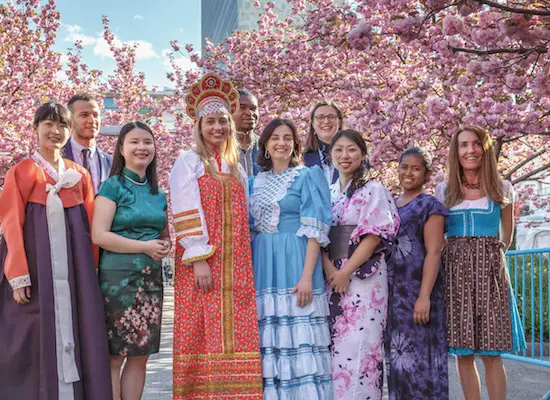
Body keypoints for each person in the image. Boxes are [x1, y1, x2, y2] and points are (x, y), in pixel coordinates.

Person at [0, 102, 112, 400]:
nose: (55, 131)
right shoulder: (22, 172)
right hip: (35, 271)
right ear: (36, 128)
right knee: (28, 339)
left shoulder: (78, 175)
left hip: (74, 273)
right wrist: (18, 275)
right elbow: (11, 226)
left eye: (62, 126)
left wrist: (90, 273)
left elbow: (90, 227)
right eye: (48, 124)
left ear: (70, 131)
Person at [169, 73, 263, 399]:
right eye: (210, 121)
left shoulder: (237, 166)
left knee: (235, 329)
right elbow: (185, 210)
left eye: (223, 121)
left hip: (237, 262)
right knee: (200, 329)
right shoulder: (189, 161)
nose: (217, 128)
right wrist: (198, 258)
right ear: (199, 125)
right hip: (203, 261)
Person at [435, 125, 526, 400]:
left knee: (492, 351)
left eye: (476, 144)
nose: (470, 150)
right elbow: (438, 238)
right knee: (463, 353)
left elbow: (506, 238)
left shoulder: (502, 188)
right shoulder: (444, 190)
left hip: (491, 274)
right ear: (456, 151)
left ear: (485, 149)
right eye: (463, 145)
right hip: (455, 275)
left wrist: (485, 259)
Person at [249, 118, 333, 398]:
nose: (281, 142)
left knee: (299, 336)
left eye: (288, 137)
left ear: (296, 145)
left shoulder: (308, 176)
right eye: (275, 138)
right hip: (263, 264)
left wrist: (307, 277)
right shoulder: (253, 182)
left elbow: (314, 232)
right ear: (266, 146)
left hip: (295, 261)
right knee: (269, 336)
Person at [91, 121, 171, 400]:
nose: (142, 147)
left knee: (140, 356)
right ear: (121, 149)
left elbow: (163, 233)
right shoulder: (112, 186)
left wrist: (163, 245)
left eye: (147, 142)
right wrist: (145, 246)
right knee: (115, 357)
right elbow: (99, 235)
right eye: (134, 142)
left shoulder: (158, 193)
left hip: (150, 280)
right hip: (117, 281)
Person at [322, 129, 399, 400]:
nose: (345, 156)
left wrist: (344, 271)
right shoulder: (327, 192)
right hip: (330, 277)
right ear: (330, 155)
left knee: (361, 346)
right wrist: (332, 270)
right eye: (338, 150)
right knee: (333, 349)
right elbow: (318, 236)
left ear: (363, 154)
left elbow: (373, 235)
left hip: (363, 279)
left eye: (351, 149)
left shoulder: (373, 189)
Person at [384, 147, 448, 400]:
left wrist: (424, 296)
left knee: (423, 362)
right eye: (404, 167)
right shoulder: (389, 203)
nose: (408, 173)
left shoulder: (430, 205)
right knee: (398, 362)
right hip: (393, 295)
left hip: (420, 293)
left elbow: (434, 252)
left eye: (416, 168)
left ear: (427, 174)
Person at [64, 93, 113, 193]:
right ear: (70, 120)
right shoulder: (57, 158)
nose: (92, 120)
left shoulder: (110, 163)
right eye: (84, 115)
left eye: (95, 115)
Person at [302, 101, 343, 184]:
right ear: (313, 124)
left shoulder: (354, 155)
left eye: (331, 117)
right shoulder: (302, 158)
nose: (326, 121)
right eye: (320, 117)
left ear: (339, 122)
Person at [233, 88, 261, 176]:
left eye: (253, 109)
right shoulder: (220, 148)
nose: (249, 113)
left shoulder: (267, 147)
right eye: (242, 108)